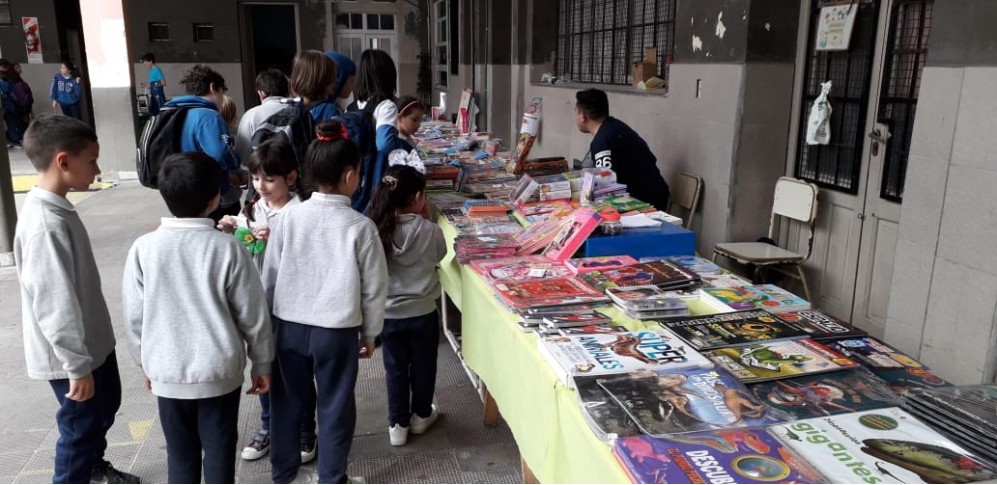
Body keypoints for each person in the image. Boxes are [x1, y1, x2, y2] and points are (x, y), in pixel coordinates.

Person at [122, 152, 274, 484]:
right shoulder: (228, 249)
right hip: (219, 373)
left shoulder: (143, 249)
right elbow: (253, 313)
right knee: (220, 451)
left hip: (168, 372)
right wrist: (262, 363)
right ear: (215, 197)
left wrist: (146, 363)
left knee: (180, 454)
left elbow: (135, 317)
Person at [13, 114, 140, 484]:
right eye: (93, 161)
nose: (98, 171)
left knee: (104, 408)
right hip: (71, 355)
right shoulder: (44, 226)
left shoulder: (59, 208)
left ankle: (93, 465)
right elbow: (53, 305)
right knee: (79, 426)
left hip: (92, 342)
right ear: (63, 161)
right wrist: (76, 365)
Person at [262, 120, 387, 484]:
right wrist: (370, 333)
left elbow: (269, 275)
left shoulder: (288, 217)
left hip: (288, 327)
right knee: (335, 407)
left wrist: (268, 325)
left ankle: (283, 475)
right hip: (337, 331)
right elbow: (374, 288)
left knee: (286, 404)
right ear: (350, 176)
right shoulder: (360, 227)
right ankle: (332, 478)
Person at [215, 139, 317, 464]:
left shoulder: (302, 213)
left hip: (294, 310)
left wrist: (277, 242)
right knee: (265, 370)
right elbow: (244, 256)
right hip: (260, 309)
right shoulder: (253, 209)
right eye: (256, 178)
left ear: (291, 177)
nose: (261, 186)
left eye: (269, 179)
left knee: (297, 374)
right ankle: (269, 428)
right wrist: (232, 232)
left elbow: (310, 262)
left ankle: (305, 430)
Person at [368, 164, 447, 447]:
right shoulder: (432, 232)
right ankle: (421, 416)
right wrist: (426, 223)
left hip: (388, 316)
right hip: (423, 312)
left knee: (395, 369)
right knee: (424, 368)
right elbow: (441, 254)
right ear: (418, 198)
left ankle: (397, 425)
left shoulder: (376, 230)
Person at [162, 64, 241, 222]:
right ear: (213, 88)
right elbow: (221, 152)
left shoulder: (175, 113)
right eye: (221, 92)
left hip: (182, 191)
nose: (221, 99)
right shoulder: (209, 116)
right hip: (209, 194)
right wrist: (235, 167)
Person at [576, 88, 670, 211]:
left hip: (645, 202)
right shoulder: (613, 127)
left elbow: (605, 186)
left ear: (582, 116)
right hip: (651, 195)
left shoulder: (604, 139)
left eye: (576, 112)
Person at [352, 49, 400, 212]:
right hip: (377, 179)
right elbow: (384, 144)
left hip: (357, 181)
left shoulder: (350, 108)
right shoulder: (386, 106)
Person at [235, 68, 290, 165]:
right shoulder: (300, 113)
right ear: (287, 92)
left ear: (261, 93)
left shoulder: (250, 116)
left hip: (261, 175)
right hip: (293, 176)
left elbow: (243, 157)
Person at [290, 50, 339, 123]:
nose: (336, 80)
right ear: (320, 79)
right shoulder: (328, 111)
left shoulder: (289, 108)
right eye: (331, 76)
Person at [0, 59, 22, 148]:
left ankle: (13, 140)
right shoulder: (6, 78)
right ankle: (11, 140)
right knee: (10, 123)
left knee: (11, 123)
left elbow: (9, 89)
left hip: (8, 104)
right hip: (5, 105)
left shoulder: (8, 77)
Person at [12, 63, 35, 129]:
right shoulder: (16, 82)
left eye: (19, 66)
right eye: (16, 67)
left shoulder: (20, 79)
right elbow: (22, 97)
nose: (19, 68)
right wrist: (25, 110)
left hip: (27, 106)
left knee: (28, 125)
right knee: (25, 126)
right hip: (23, 108)